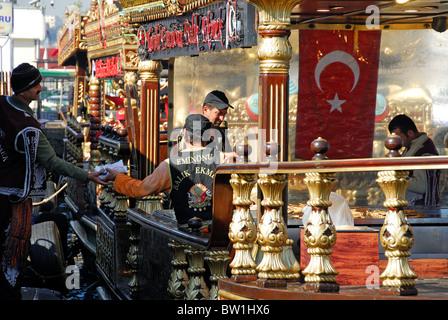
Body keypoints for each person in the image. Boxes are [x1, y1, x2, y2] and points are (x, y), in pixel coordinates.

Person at [0, 63, 107, 299]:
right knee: (12, 255)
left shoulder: (1, 104)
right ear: (24, 90)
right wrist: (87, 175)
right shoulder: (28, 126)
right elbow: (53, 163)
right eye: (36, 85)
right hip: (13, 201)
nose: (40, 88)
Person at [103, 114, 220, 227]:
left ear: (184, 133)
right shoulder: (222, 160)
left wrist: (118, 177)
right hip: (216, 233)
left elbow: (139, 190)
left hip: (185, 238)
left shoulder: (169, 165)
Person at [388, 114, 440, 206]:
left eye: (399, 138)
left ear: (410, 133)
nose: (398, 142)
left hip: (423, 210)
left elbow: (421, 186)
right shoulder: (410, 146)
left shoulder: (424, 150)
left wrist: (395, 179)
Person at [202, 90, 236, 162]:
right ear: (205, 110)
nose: (222, 118)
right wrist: (224, 156)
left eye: (224, 114)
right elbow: (194, 158)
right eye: (219, 113)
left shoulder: (221, 133)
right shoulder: (194, 131)